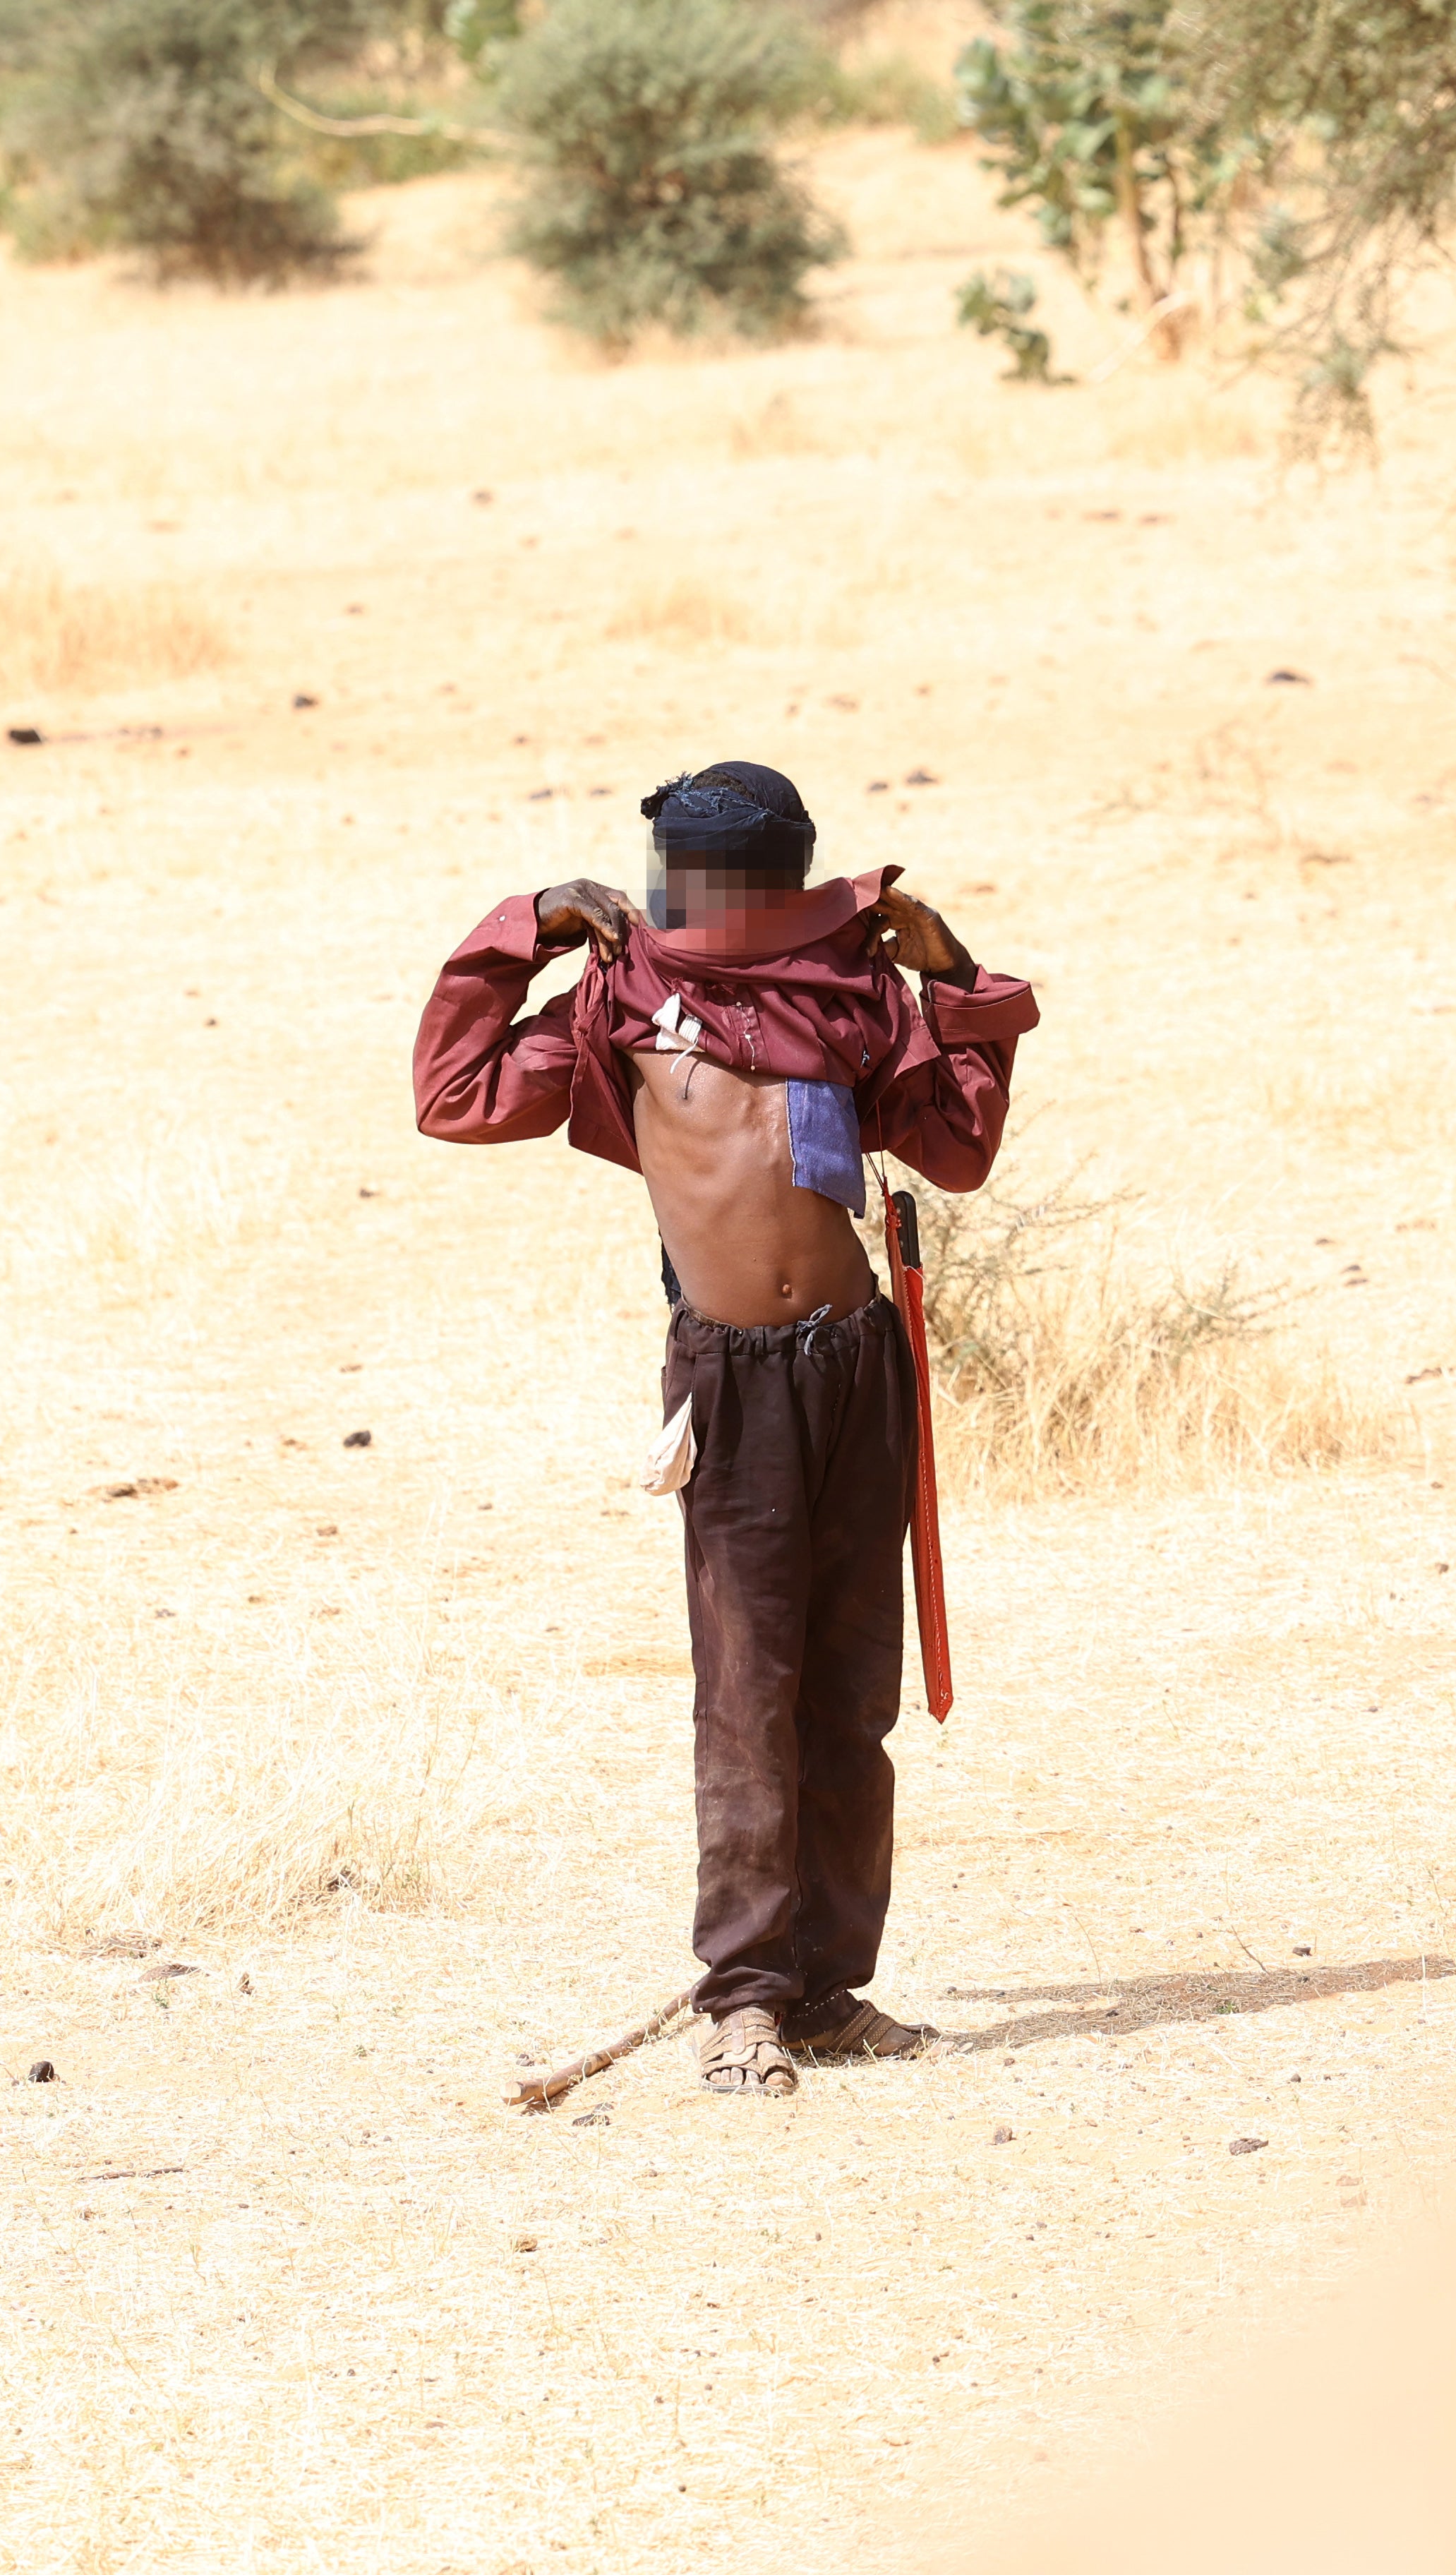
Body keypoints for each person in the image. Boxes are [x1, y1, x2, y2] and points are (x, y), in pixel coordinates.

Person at [411, 762, 1040, 2096]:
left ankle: (826, 1994)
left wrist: (953, 974)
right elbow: (453, 1095)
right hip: (733, 1386)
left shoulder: (855, 999)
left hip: (859, 1367)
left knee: (850, 1696)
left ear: (766, 886)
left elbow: (962, 1150)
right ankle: (745, 2001)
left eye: (693, 881)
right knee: (749, 1697)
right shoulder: (625, 1003)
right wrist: (515, 929)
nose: (671, 902)